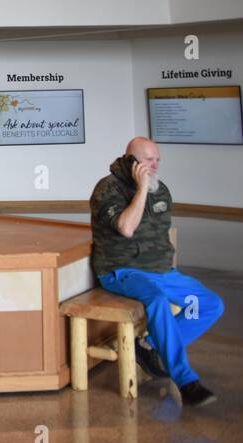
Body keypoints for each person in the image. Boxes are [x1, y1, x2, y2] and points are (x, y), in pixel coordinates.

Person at [89, 137, 224, 407]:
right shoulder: (108, 188)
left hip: (162, 272)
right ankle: (186, 381)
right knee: (158, 301)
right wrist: (140, 189)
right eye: (149, 160)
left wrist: (147, 186)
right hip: (123, 271)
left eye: (157, 160)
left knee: (208, 304)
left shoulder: (161, 190)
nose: (155, 165)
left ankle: (149, 345)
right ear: (131, 160)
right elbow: (126, 228)